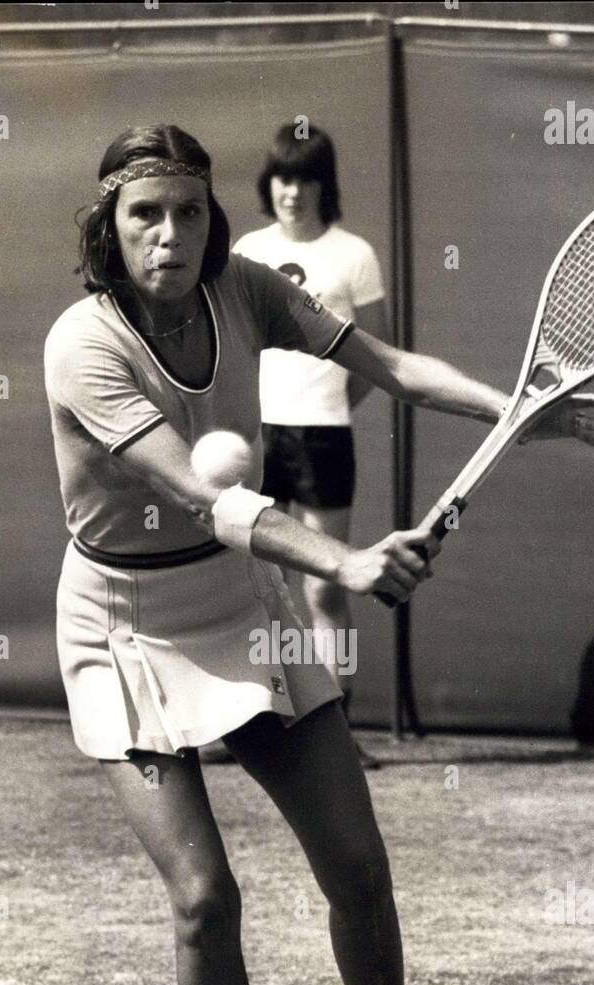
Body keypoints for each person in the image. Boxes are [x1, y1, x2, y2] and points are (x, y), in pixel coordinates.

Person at [44, 124, 594, 985]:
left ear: (218, 218)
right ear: (108, 231)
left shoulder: (249, 289)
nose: (171, 233)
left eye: (190, 211)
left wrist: (523, 406)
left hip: (235, 604)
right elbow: (198, 492)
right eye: (144, 215)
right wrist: (346, 562)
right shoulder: (81, 345)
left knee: (359, 868)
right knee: (206, 897)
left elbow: (394, 369)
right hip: (121, 623)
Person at [233, 124, 390, 763]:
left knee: (326, 587)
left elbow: (376, 358)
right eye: (282, 178)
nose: (292, 192)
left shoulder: (354, 255)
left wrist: (326, 409)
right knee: (252, 583)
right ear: (269, 186)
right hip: (255, 439)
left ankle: (337, 734)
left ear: (324, 185)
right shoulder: (246, 250)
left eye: (304, 178)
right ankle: (254, 725)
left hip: (325, 438)